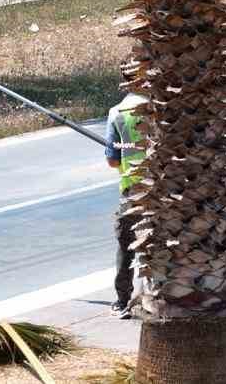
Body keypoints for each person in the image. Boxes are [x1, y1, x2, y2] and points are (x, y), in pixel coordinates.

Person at [104, 92, 148, 319]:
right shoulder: (163, 106)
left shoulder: (118, 113)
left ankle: (123, 300)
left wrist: (126, 144)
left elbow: (112, 160)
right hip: (167, 188)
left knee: (126, 245)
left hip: (132, 191)